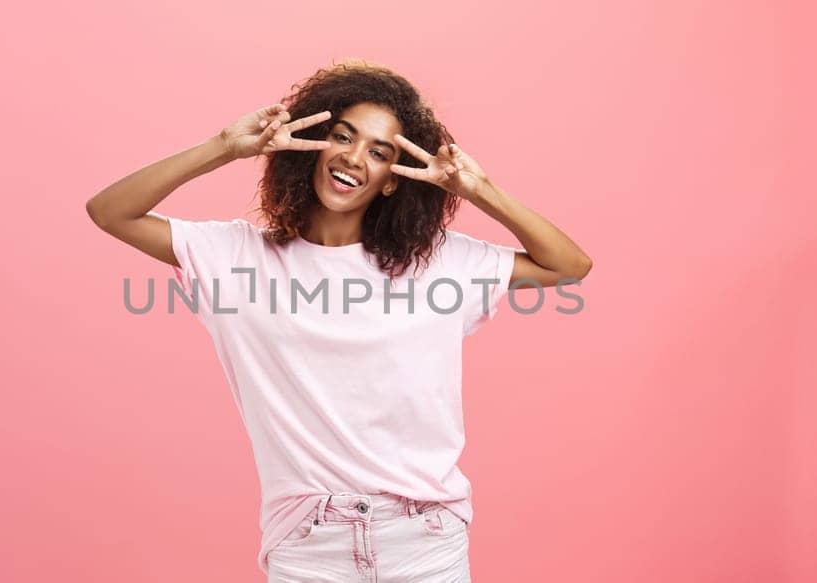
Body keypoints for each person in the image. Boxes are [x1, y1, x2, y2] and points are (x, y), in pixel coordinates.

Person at [87, 60, 592, 582]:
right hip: (308, 546)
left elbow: (568, 264)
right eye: (342, 137)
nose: (354, 158)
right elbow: (110, 212)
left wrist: (480, 190)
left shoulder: (439, 263)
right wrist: (224, 146)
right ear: (314, 145)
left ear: (393, 180)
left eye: (379, 152)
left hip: (424, 542)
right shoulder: (235, 259)